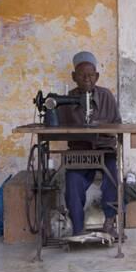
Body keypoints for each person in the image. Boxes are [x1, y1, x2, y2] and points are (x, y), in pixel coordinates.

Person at [57, 51, 122, 238]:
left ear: (97, 76)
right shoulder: (68, 100)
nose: (87, 79)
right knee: (73, 181)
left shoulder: (107, 96)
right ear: (73, 77)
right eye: (82, 75)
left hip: (104, 150)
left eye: (91, 75)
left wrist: (100, 129)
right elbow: (58, 128)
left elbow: (117, 124)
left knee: (113, 179)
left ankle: (109, 223)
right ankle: (78, 228)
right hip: (80, 152)